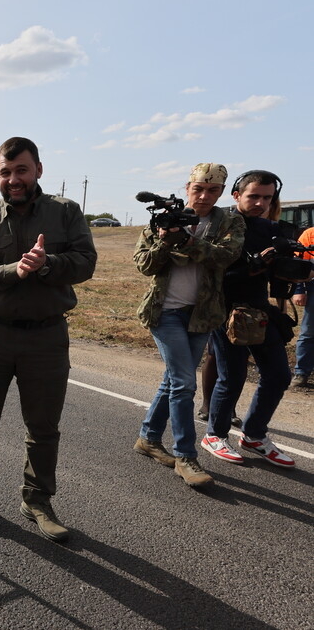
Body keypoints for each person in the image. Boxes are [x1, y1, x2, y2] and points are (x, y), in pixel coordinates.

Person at [0, 136, 97, 542]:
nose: (13, 179)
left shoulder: (65, 213)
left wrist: (49, 264)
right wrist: (15, 271)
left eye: (21, 170)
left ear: (38, 171)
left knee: (43, 427)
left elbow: (86, 263)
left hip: (47, 336)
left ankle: (38, 500)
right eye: (5, 172)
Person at [132, 163, 244, 487]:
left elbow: (226, 256)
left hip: (203, 314)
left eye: (212, 190)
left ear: (222, 192)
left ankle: (148, 438)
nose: (204, 195)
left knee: (172, 381)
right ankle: (185, 456)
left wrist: (188, 241)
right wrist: (167, 240)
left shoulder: (229, 221)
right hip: (165, 312)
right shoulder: (163, 217)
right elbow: (145, 265)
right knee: (184, 383)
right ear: (187, 187)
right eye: (198, 188)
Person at [201, 170, 303, 469]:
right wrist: (258, 263)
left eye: (267, 198)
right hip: (226, 311)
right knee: (232, 376)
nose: (260, 203)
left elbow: (278, 273)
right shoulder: (222, 225)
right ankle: (214, 435)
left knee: (279, 375)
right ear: (236, 195)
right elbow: (214, 274)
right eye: (253, 196)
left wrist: (296, 271)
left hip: (260, 310)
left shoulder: (272, 228)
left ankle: (254, 435)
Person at [290, 225, 314, 388]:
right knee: (308, 331)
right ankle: (301, 373)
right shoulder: (310, 235)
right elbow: (297, 262)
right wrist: (299, 289)